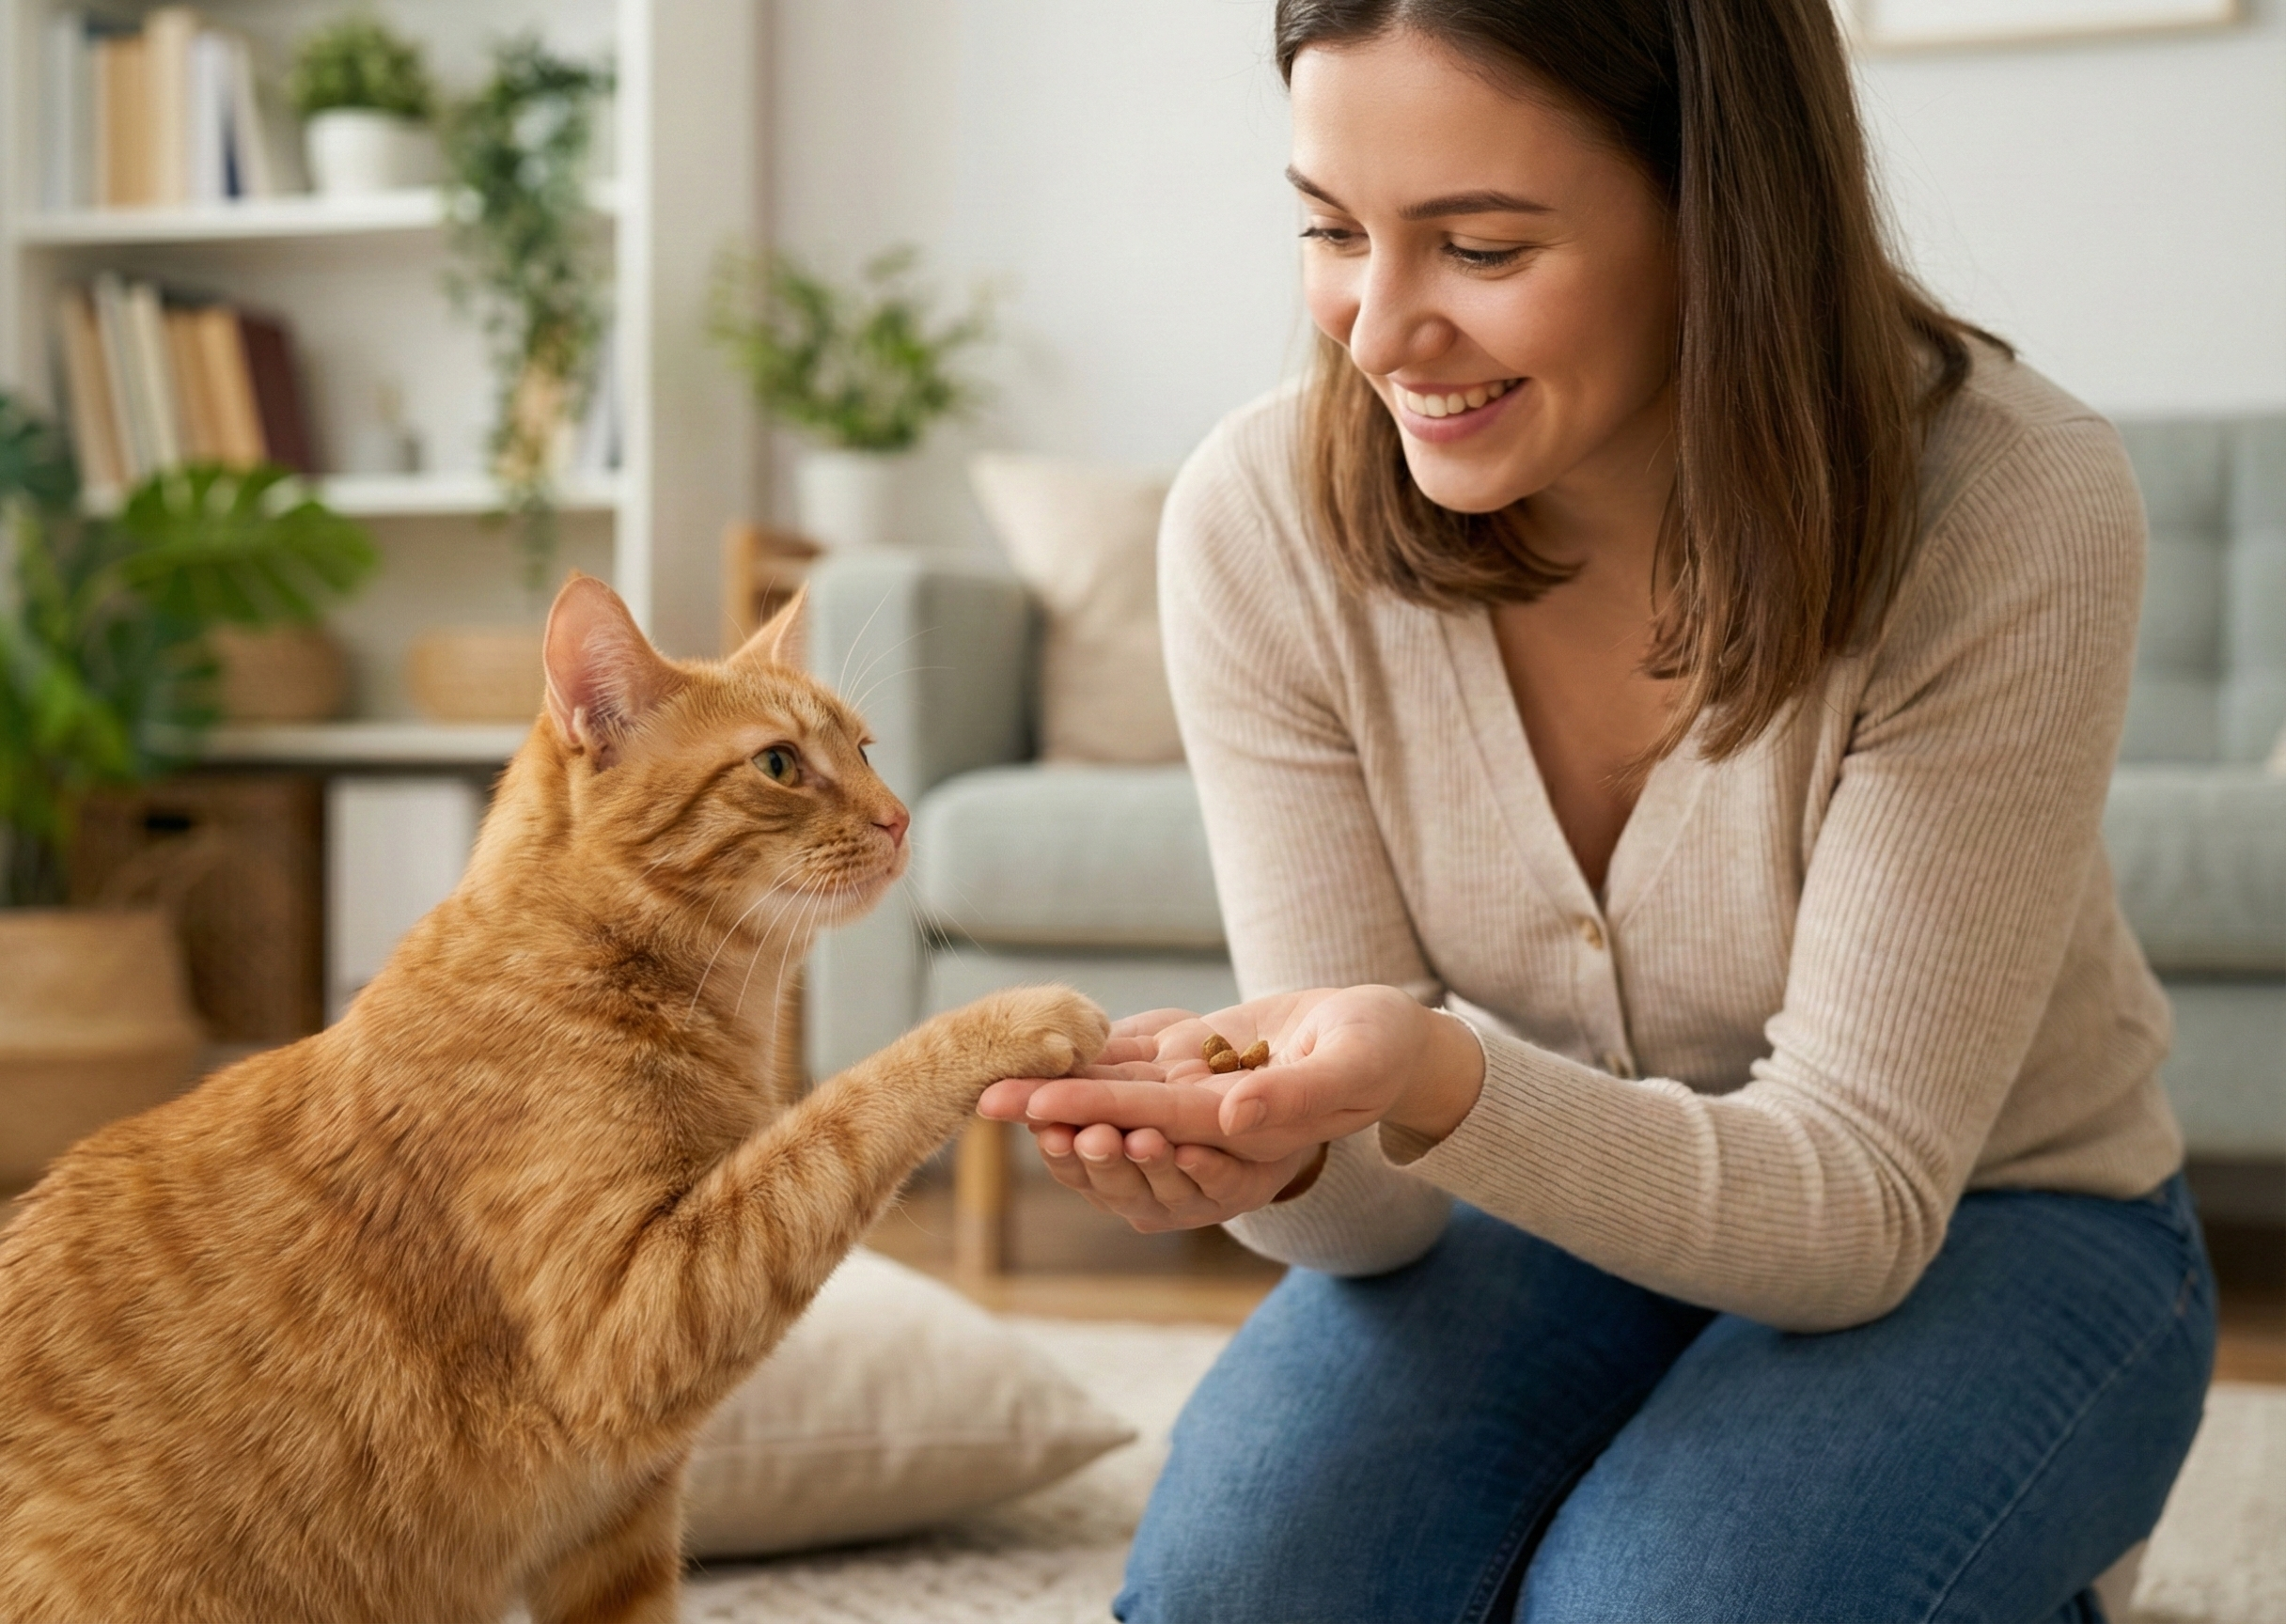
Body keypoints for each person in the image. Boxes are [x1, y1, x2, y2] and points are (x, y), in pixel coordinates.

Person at [975, 2, 2216, 1619]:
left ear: (1724, 214)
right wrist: (1276, 1159)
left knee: (1654, 1603)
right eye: (1334, 229)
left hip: (1996, 1217)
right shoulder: (1261, 523)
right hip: (1549, 1194)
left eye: (1480, 249)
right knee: (1241, 1597)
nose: (1377, 332)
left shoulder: (2005, 501)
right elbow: (1381, 1220)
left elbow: (1853, 1209)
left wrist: (1435, 1073)